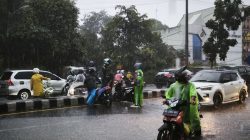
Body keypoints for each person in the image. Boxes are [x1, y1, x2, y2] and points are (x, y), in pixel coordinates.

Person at [164, 66, 201, 137]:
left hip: (188, 106)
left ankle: (197, 131)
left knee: (194, 116)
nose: (187, 78)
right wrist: (167, 99)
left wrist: (192, 100)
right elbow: (168, 94)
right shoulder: (173, 85)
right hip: (176, 106)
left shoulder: (190, 85)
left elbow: (193, 94)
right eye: (185, 76)